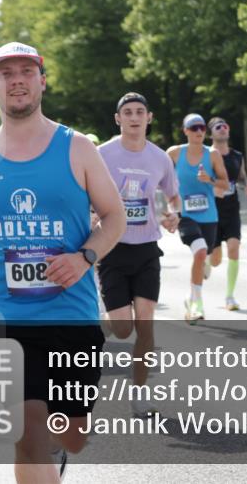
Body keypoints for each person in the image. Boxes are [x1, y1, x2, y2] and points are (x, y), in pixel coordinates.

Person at [0, 42, 125, 483]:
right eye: (6, 73)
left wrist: (85, 258)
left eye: (27, 70)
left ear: (42, 81)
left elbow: (115, 217)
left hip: (72, 315)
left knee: (69, 432)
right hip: (4, 316)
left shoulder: (78, 147)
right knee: (25, 437)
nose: (17, 79)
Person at [98, 92, 181, 416]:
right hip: (112, 246)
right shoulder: (101, 154)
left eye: (140, 112)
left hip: (147, 247)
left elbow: (173, 196)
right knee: (122, 329)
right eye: (128, 112)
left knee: (145, 326)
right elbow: (82, 189)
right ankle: (99, 327)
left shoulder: (160, 158)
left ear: (149, 118)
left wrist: (175, 214)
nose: (134, 117)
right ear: (118, 119)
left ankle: (140, 393)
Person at [168, 113, 228, 322]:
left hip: (209, 215)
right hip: (184, 215)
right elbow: (160, 179)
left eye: (202, 128)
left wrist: (209, 179)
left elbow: (225, 185)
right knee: (201, 252)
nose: (199, 132)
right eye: (194, 128)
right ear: (185, 131)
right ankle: (196, 304)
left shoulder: (212, 155)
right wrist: (168, 207)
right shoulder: (175, 153)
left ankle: (192, 295)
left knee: (205, 256)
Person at [206, 116, 247, 311]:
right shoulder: (206, 156)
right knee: (216, 260)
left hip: (232, 210)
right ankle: (208, 260)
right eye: (218, 127)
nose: (223, 129)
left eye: (225, 126)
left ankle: (230, 296)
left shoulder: (237, 156)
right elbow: (198, 181)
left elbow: (242, 178)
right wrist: (212, 188)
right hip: (212, 211)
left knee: (234, 248)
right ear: (211, 133)